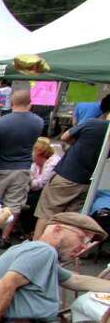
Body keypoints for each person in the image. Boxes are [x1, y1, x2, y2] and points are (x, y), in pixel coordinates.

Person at [33, 95, 110, 238]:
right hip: (88, 180)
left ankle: (37, 244)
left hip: (67, 175)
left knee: (47, 212)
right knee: (70, 220)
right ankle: (58, 249)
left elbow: (64, 137)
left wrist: (78, 144)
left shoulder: (92, 123)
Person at [0, 89, 45, 244]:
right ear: (30, 103)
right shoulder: (38, 122)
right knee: (14, 205)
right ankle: (4, 236)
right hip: (23, 168)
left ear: (12, 102)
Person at [14, 137, 61, 241]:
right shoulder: (35, 163)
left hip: (49, 191)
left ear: (39, 152)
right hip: (35, 189)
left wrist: (27, 181)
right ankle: (23, 228)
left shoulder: (52, 164)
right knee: (19, 195)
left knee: (30, 201)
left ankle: (32, 231)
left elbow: (40, 183)